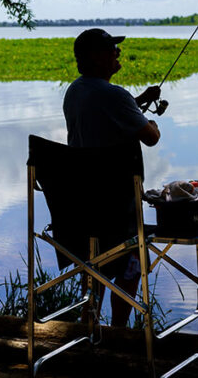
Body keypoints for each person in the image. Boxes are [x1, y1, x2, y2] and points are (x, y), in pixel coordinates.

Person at [63, 27, 161, 326]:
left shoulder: (75, 91)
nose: (117, 53)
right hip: (118, 211)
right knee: (135, 257)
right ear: (96, 57)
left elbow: (109, 111)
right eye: (111, 49)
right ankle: (119, 330)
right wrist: (152, 121)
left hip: (84, 210)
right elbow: (151, 138)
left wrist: (139, 100)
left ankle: (88, 323)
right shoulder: (115, 96)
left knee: (95, 259)